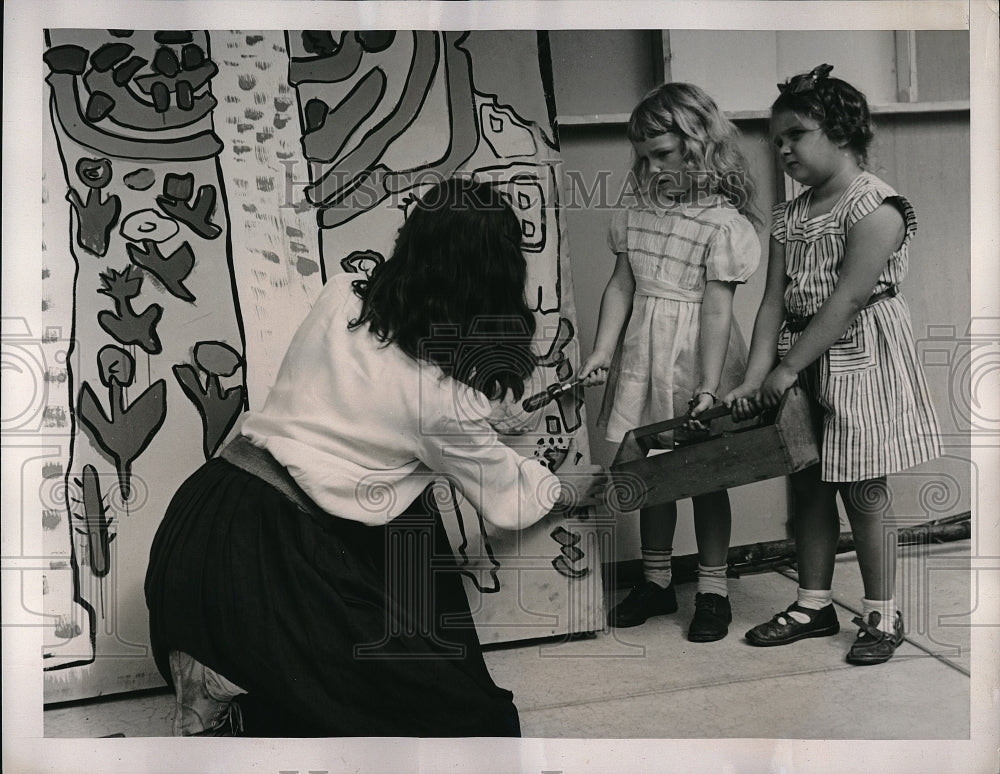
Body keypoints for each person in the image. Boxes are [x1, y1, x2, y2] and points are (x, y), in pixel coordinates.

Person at [144, 177, 605, 737]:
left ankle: (219, 664)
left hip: (199, 531)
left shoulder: (343, 292)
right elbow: (506, 496)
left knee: (404, 501)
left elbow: (367, 400)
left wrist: (476, 415)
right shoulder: (442, 401)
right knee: (478, 719)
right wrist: (566, 488)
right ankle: (231, 694)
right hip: (267, 566)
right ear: (495, 279)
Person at [724, 64, 941, 665]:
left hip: (858, 358)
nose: (784, 148)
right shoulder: (789, 218)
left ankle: (881, 613)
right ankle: (814, 603)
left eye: (796, 133)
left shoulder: (875, 207)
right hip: (800, 360)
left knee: (863, 488)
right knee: (809, 481)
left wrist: (788, 367)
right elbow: (771, 302)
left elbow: (847, 300)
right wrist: (754, 375)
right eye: (778, 140)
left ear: (842, 131)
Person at [579, 82, 761, 641]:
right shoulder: (635, 210)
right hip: (643, 352)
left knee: (705, 476)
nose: (652, 166)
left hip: (697, 357)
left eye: (663, 153)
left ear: (698, 145)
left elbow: (715, 309)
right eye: (644, 156)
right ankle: (656, 582)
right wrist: (604, 351)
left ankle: (711, 591)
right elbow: (620, 286)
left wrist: (708, 386)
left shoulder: (722, 221)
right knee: (650, 471)